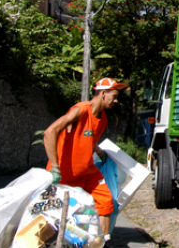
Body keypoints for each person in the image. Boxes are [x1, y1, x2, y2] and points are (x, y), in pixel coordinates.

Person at [44, 77, 126, 246]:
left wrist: (99, 151)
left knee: (105, 201)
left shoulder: (102, 119)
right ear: (103, 94)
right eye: (114, 96)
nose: (116, 100)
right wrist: (54, 167)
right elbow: (50, 132)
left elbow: (88, 137)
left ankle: (103, 243)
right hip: (64, 173)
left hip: (86, 171)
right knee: (58, 214)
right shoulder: (80, 110)